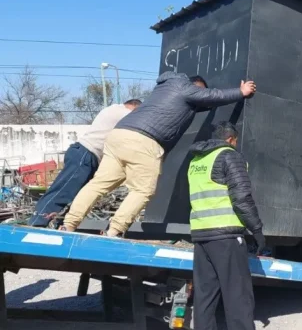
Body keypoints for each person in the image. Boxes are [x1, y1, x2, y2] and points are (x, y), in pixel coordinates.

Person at [60, 72, 256, 236]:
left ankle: (68, 224)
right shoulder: (186, 87)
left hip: (119, 135)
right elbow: (212, 96)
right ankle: (115, 231)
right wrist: (240, 92)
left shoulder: (165, 88)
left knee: (99, 184)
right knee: (143, 190)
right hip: (144, 140)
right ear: (196, 87)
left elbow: (201, 105)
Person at [188, 121, 280, 330]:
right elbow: (241, 197)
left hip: (201, 235)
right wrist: (257, 229)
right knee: (238, 296)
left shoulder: (196, 161)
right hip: (226, 236)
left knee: (204, 299)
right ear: (231, 139)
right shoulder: (229, 156)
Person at [28, 99, 142, 227]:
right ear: (134, 107)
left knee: (78, 195)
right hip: (86, 153)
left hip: (84, 154)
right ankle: (38, 223)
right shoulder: (123, 113)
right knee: (64, 190)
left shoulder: (113, 108)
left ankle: (58, 223)